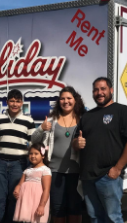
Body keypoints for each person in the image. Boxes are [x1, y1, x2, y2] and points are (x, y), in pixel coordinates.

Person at [73, 77, 127, 223]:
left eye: (103, 89)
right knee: (94, 217)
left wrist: (118, 167)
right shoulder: (87, 116)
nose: (99, 92)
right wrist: (76, 143)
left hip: (108, 176)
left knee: (112, 217)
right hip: (87, 176)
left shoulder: (123, 111)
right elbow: (75, 141)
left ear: (110, 90)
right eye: (96, 90)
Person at [32, 86, 86, 223]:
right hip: (55, 172)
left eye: (69, 98)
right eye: (62, 98)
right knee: (57, 208)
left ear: (75, 100)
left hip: (76, 172)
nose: (65, 101)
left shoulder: (83, 120)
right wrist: (41, 129)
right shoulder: (51, 120)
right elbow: (34, 140)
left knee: (75, 208)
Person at [0, 89, 36, 223]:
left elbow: (33, 143)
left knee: (14, 200)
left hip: (18, 165)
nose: (15, 104)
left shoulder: (28, 120)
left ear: (22, 103)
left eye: (18, 101)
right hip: (0, 164)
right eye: (12, 101)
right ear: (7, 102)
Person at [13, 143, 52, 223]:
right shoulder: (27, 170)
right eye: (31, 153)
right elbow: (20, 183)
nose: (33, 156)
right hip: (26, 202)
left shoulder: (45, 170)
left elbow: (46, 190)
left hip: (37, 202)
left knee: (36, 220)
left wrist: (42, 205)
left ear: (43, 156)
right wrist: (17, 188)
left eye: (36, 154)